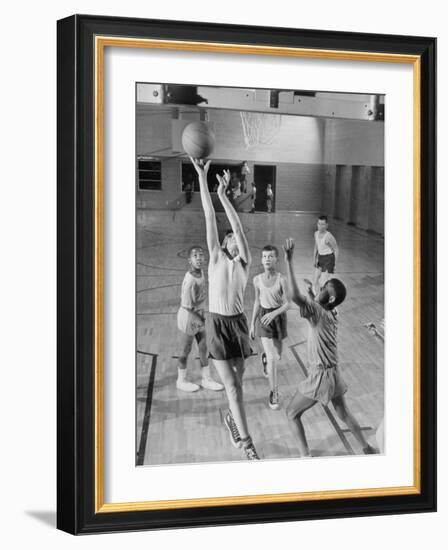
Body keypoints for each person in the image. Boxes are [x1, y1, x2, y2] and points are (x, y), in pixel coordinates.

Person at [190, 157, 259, 460]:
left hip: (238, 324)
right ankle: (247, 443)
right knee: (232, 387)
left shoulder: (243, 263)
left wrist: (226, 197)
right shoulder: (216, 257)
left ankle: (233, 419)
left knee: (239, 385)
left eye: (232, 237)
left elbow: (239, 230)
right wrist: (204, 181)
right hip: (217, 325)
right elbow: (208, 217)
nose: (230, 237)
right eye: (227, 236)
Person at [283, 238, 377, 457]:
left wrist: (289, 260)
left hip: (320, 377)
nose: (321, 287)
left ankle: (305, 456)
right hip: (334, 373)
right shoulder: (334, 312)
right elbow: (319, 301)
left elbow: (294, 297)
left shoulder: (318, 313)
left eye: (324, 287)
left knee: (290, 413)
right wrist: (313, 292)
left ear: (330, 297)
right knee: (343, 412)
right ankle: (367, 448)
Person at [176, 245, 224, 392]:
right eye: (195, 256)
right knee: (185, 351)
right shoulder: (190, 280)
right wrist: (201, 319)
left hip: (199, 316)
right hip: (189, 318)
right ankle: (181, 380)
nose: (199, 258)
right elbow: (186, 306)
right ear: (189, 260)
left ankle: (206, 378)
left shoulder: (201, 272)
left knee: (204, 348)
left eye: (201, 255)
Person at [250, 245, 289, 410]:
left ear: (276, 259)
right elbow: (257, 301)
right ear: (261, 260)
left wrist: (274, 314)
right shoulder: (257, 280)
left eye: (270, 256)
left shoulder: (282, 280)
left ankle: (266, 357)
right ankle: (274, 392)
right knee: (274, 359)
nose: (267, 259)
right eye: (264, 256)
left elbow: (288, 304)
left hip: (278, 317)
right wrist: (252, 323)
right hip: (264, 320)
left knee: (278, 354)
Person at [313, 215, 339, 293]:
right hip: (321, 258)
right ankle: (317, 295)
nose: (320, 226)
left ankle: (325, 298)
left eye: (323, 224)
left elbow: (336, 249)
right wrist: (314, 259)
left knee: (323, 282)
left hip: (329, 259)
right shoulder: (316, 234)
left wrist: (335, 264)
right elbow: (316, 247)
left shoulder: (329, 237)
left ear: (327, 225)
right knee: (315, 279)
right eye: (319, 224)